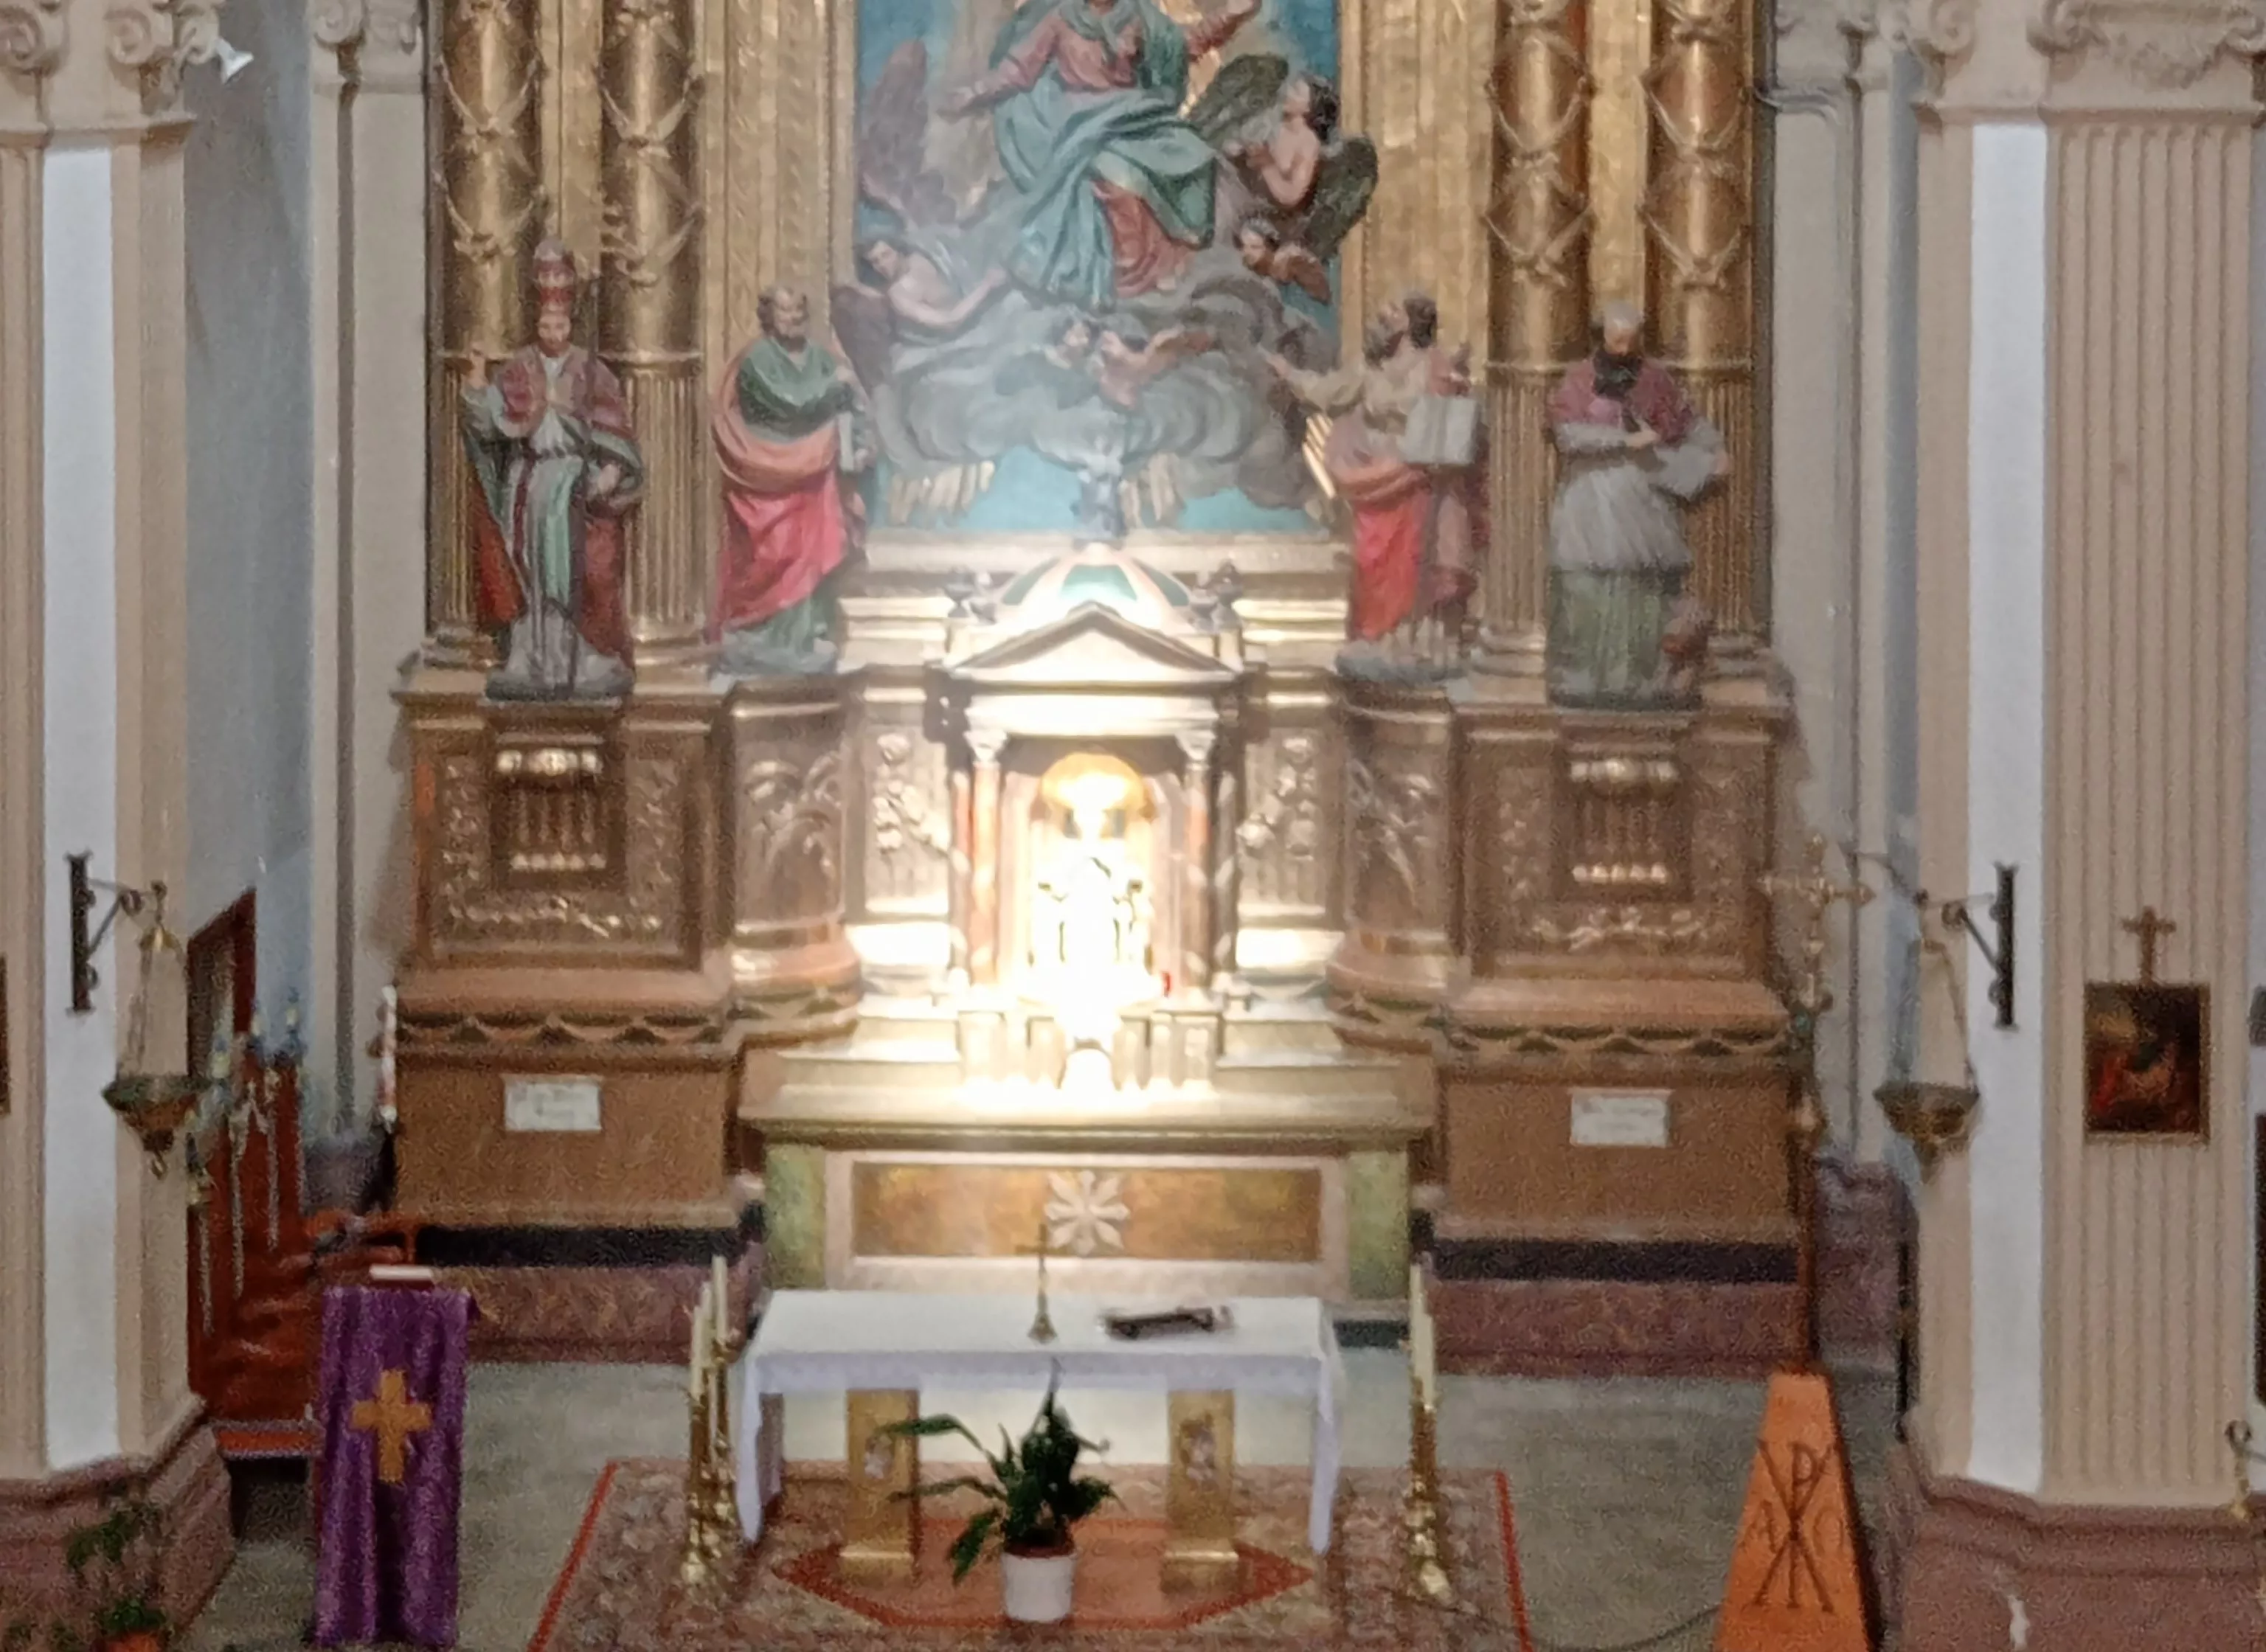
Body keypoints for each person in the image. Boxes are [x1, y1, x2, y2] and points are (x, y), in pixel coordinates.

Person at [938, 0, 1263, 308]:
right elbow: (1018, 70)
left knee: (1192, 153)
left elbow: (1184, 45)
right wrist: (974, 93)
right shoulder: (1062, 18)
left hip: (1132, 112)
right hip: (1080, 120)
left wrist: (1229, 17)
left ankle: (1170, 257)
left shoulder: (1137, 16)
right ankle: (1127, 272)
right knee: (1118, 175)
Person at [460, 239, 644, 699]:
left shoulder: (590, 369)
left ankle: (578, 658)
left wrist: (612, 473)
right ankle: (532, 658)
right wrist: (478, 380)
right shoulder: (519, 369)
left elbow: (615, 430)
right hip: (530, 485)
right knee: (531, 575)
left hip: (576, 489)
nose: (553, 329)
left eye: (560, 322)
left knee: (578, 574)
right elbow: (490, 423)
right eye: (546, 322)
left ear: (570, 321)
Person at [1267, 293, 1480, 652]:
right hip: (1374, 478)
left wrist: (1455, 389)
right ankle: (1374, 637)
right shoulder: (1371, 369)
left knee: (1415, 560)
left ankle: (1408, 640)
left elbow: (1451, 419)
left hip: (1418, 479)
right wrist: (1289, 374)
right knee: (1371, 560)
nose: (1382, 314)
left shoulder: (1435, 366)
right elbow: (1326, 392)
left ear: (1411, 323)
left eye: (1392, 310)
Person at [1544, 300, 1731, 707]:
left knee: (1643, 584)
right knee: (1589, 583)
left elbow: (1685, 421)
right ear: (1602, 339)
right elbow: (1568, 436)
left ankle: (1640, 676)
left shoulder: (1654, 379)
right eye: (1616, 341)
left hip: (1641, 494)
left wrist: (1711, 450)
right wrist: (1621, 440)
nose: (1624, 350)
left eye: (1630, 341)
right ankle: (1588, 677)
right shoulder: (1578, 380)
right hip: (1592, 495)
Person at [710, 288, 872, 675]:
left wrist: (862, 443)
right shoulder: (757, 360)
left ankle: (807, 632)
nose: (793, 318)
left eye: (799, 310)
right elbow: (790, 402)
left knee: (816, 551)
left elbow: (852, 406)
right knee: (776, 553)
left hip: (816, 479)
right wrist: (837, 385)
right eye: (784, 311)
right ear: (769, 315)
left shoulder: (819, 357)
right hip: (770, 472)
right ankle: (760, 632)